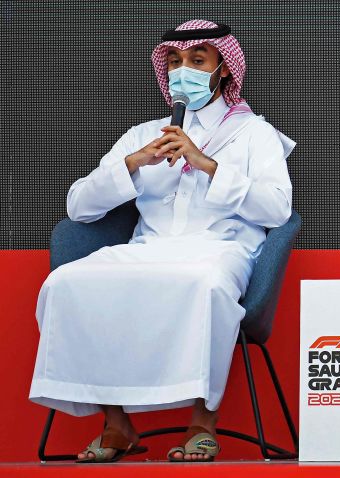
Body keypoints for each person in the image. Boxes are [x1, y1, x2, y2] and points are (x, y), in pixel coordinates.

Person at [28, 19, 295, 463]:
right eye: (174, 61)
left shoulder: (254, 134)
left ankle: (202, 424)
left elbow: (277, 210)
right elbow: (78, 207)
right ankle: (116, 424)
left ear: (223, 69)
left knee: (205, 286)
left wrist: (207, 164)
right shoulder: (142, 133)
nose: (182, 69)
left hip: (218, 250)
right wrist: (132, 164)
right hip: (146, 250)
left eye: (196, 60)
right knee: (66, 283)